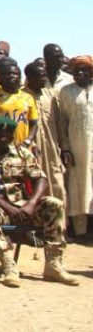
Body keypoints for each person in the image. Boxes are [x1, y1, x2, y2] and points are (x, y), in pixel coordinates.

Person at [0, 116, 78, 287]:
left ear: (10, 137)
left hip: (23, 208)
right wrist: (8, 208)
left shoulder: (23, 153)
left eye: (2, 136)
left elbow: (41, 180)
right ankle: (9, 265)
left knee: (55, 204)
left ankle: (54, 264)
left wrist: (30, 205)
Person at [58, 55, 93, 239]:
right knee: (78, 186)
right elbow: (62, 122)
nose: (81, 73)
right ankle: (81, 230)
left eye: (85, 70)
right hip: (76, 147)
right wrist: (65, 148)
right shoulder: (66, 92)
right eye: (78, 70)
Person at [23, 61, 67, 204]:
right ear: (29, 77)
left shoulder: (52, 95)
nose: (44, 80)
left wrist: (64, 148)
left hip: (52, 150)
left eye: (45, 76)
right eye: (40, 76)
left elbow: (60, 125)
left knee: (57, 184)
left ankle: (60, 223)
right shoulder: (22, 97)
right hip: (30, 151)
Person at [0, 59, 39, 147]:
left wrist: (28, 140)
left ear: (20, 77)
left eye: (15, 74)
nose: (12, 76)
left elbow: (34, 123)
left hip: (24, 147)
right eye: (7, 74)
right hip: (1, 148)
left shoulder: (28, 98)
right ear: (1, 77)